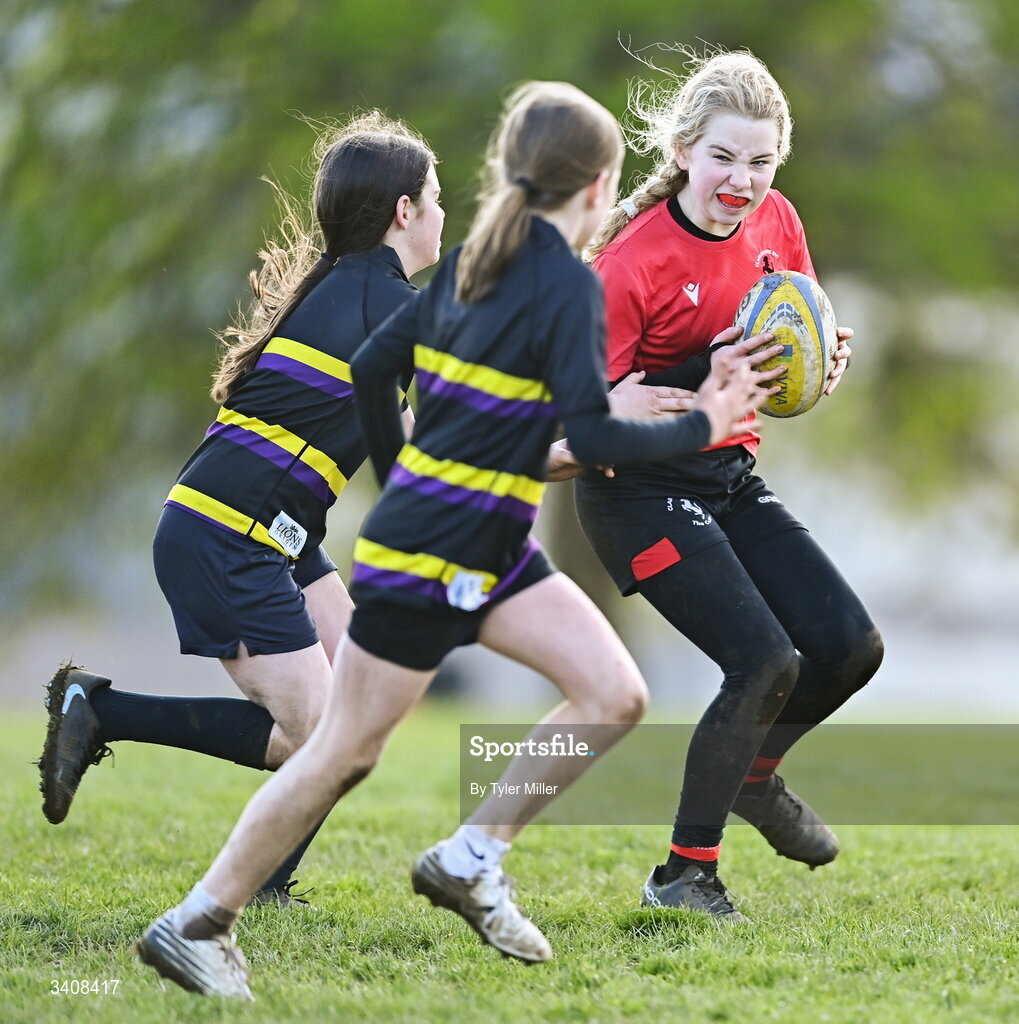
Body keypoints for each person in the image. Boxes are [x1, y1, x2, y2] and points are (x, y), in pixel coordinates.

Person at [132, 80, 777, 1000]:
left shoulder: (481, 254)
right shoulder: (555, 288)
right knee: (341, 749)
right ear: (597, 190)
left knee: (609, 691)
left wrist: (403, 480)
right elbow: (593, 443)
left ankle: (473, 855)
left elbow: (371, 369)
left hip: (479, 539)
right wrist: (703, 418)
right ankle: (198, 922)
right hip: (437, 549)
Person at [37, 111, 445, 904]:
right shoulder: (385, 301)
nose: (440, 212)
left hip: (271, 536)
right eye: (434, 197)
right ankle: (103, 712)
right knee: (325, 738)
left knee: (358, 715)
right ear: (403, 211)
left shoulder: (347, 284)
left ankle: (267, 883)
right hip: (230, 539)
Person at [577, 47, 885, 920]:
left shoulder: (777, 222)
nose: (741, 181)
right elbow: (577, 419)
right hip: (631, 487)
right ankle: (682, 876)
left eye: (759, 162)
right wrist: (679, 374)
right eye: (722, 158)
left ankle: (751, 777)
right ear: (681, 151)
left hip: (724, 471)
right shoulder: (629, 263)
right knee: (762, 661)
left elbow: (795, 330)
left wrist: (820, 362)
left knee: (849, 648)